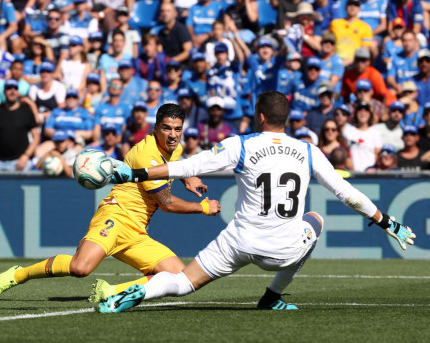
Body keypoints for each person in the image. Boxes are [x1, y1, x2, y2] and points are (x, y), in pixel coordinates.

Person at [98, 90, 415, 313]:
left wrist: (136, 173)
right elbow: (349, 195)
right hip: (284, 250)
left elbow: (188, 167)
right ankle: (273, 296)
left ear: (260, 116)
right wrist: (390, 223)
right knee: (315, 220)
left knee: (182, 282)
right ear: (286, 119)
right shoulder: (307, 150)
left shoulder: (241, 145)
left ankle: (134, 292)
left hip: (239, 242)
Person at [0, 103, 221, 302]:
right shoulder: (145, 153)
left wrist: (187, 177)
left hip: (137, 231)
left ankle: (112, 292)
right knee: (80, 268)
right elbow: (167, 203)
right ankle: (19, 275)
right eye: (167, 128)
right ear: (155, 128)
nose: (173, 135)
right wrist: (203, 207)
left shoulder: (174, 147)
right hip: (115, 216)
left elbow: (172, 163)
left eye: (178, 129)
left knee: (179, 277)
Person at [0, 79, 39, 171]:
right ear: (4, 91)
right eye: (9, 88)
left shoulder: (26, 112)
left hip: (20, 162)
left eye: (15, 88)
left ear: (18, 92)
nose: (12, 91)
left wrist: (26, 156)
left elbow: (36, 136)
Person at [347, 101, 382, 172]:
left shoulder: (375, 133)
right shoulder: (348, 131)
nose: (363, 113)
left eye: (366, 110)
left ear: (370, 114)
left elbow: (378, 155)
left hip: (369, 175)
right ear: (355, 113)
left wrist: (374, 169)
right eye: (360, 110)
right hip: (352, 174)